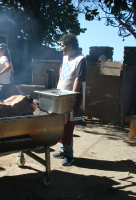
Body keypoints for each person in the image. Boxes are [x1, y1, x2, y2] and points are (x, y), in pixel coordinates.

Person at [52, 33, 86, 166]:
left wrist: (73, 96)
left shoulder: (81, 59)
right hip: (61, 95)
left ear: (70, 46)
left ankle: (69, 155)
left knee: (67, 126)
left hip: (71, 98)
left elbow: (79, 79)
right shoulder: (65, 56)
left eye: (62, 46)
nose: (61, 48)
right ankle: (63, 151)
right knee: (60, 124)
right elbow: (62, 68)